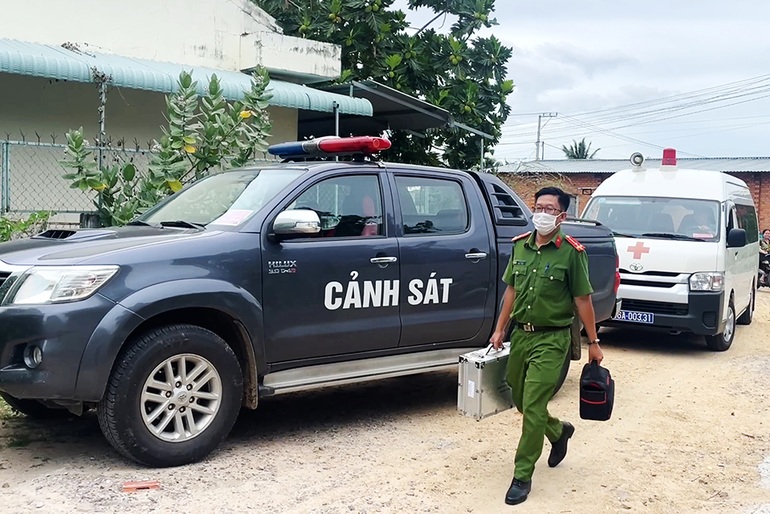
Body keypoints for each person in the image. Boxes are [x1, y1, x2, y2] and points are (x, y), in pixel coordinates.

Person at [490, 186, 604, 506]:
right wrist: (500, 329)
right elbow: (511, 290)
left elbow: (583, 300)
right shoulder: (521, 247)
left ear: (562, 215)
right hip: (521, 336)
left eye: (550, 209)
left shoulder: (572, 252)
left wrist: (593, 342)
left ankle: (522, 474)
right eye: (538, 206)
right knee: (520, 397)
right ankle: (558, 432)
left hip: (552, 339)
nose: (542, 213)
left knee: (534, 404)